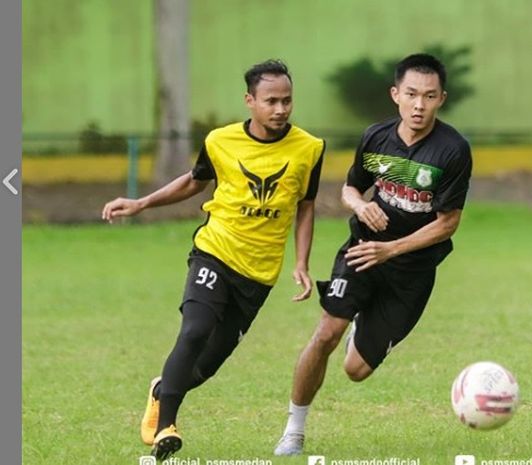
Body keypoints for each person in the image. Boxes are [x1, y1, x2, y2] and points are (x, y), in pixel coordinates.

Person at [102, 59, 325, 460]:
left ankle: (160, 390)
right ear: (250, 101)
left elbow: (306, 206)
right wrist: (141, 203)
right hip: (215, 251)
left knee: (205, 366)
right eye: (271, 101)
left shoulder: (309, 148)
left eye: (287, 101)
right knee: (195, 330)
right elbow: (194, 181)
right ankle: (166, 427)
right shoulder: (220, 141)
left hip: (259, 274)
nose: (280, 109)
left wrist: (301, 263)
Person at [273, 53, 472, 456]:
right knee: (327, 331)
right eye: (412, 94)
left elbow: (447, 223)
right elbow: (349, 188)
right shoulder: (375, 137)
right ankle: (293, 430)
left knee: (356, 371)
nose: (419, 105)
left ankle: (361, 325)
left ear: (441, 99)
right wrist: (361, 206)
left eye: (429, 96)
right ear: (395, 94)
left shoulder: (453, 150)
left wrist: (393, 249)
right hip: (363, 251)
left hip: (411, 271)